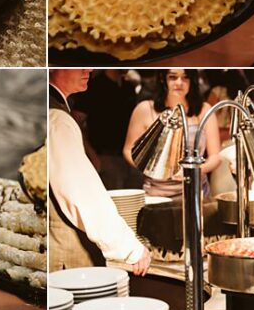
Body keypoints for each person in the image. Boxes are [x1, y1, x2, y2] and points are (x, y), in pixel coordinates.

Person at [48, 69, 151, 275]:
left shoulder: (57, 110)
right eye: (79, 65)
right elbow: (81, 193)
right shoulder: (58, 118)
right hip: (65, 256)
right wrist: (130, 249)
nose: (90, 69)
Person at [122, 70, 221, 198]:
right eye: (173, 77)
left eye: (185, 77)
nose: (179, 83)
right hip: (156, 193)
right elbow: (129, 149)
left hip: (196, 190)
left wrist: (194, 170)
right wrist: (154, 169)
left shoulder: (204, 109)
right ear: (163, 79)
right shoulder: (145, 109)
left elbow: (215, 156)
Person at [71, 70, 142, 190]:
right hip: (104, 156)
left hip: (130, 157)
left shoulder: (128, 87)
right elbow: (74, 122)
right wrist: (91, 154)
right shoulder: (93, 87)